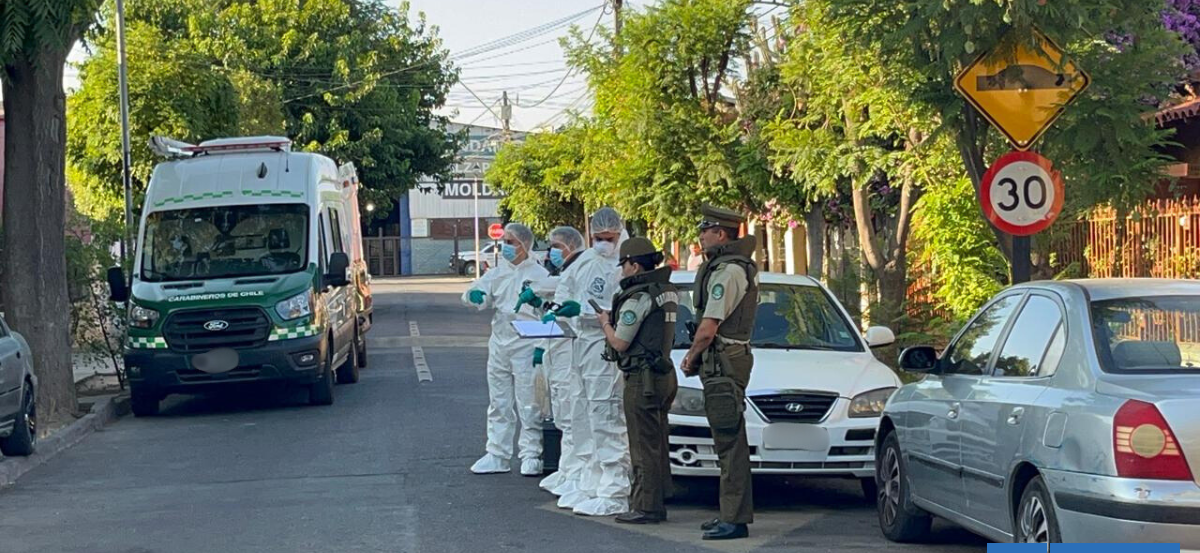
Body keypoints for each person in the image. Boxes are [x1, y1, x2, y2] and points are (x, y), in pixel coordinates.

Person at [544, 207, 630, 516]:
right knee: (582, 415)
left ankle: (615, 489)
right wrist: (560, 311)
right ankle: (590, 481)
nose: (604, 243)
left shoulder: (626, 265)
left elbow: (620, 310)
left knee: (606, 416)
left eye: (609, 238)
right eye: (598, 238)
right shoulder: (586, 262)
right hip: (581, 346)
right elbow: (565, 291)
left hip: (605, 349)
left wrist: (579, 311)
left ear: (619, 233)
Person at [680, 205, 758, 541]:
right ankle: (729, 513)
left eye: (705, 230)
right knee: (726, 439)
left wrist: (691, 356)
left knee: (729, 442)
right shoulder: (728, 267)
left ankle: (734, 519)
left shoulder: (728, 272)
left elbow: (708, 328)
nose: (700, 236)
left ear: (721, 234)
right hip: (725, 360)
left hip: (724, 361)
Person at [597, 237, 678, 524]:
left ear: (633, 265)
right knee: (658, 441)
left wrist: (605, 323)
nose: (622, 270)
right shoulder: (667, 290)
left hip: (642, 379)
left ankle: (646, 507)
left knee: (643, 446)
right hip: (664, 373)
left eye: (624, 264)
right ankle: (660, 496)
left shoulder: (639, 297)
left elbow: (620, 342)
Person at [461, 222, 550, 476]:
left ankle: (531, 454)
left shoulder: (539, 275)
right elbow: (476, 291)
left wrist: (542, 346)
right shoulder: (497, 273)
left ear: (524, 245)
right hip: (500, 342)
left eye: (511, 242)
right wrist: (474, 297)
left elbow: (549, 312)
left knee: (529, 401)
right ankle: (497, 454)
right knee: (499, 401)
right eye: (504, 242)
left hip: (527, 342)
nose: (505, 247)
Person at [514, 226, 586, 494]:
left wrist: (538, 294)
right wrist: (542, 317)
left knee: (572, 416)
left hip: (573, 355)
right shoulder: (566, 271)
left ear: (570, 245)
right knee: (562, 415)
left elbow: (574, 313)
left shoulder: (580, 269)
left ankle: (576, 474)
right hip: (558, 351)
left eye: (556, 246)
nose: (551, 252)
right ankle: (568, 471)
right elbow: (556, 309)